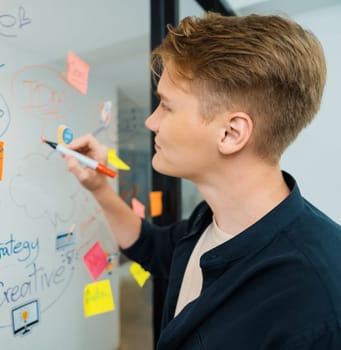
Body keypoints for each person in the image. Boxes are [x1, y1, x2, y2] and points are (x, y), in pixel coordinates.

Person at [64, 12, 341, 349]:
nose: (152, 122)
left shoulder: (320, 297)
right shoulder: (205, 224)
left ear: (230, 132)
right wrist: (99, 187)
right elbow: (148, 245)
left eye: (166, 105)